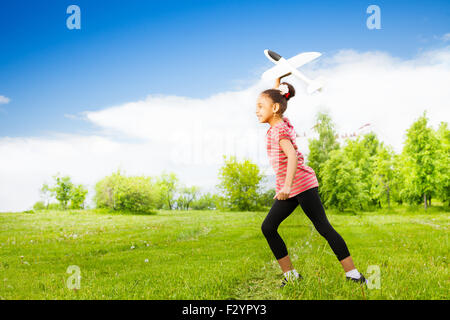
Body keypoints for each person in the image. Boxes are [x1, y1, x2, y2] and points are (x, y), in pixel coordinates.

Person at [256, 73, 367, 287]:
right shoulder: (279, 122)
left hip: (301, 185)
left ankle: (353, 275)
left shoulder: (280, 130)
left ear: (275, 109)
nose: (257, 110)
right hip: (288, 188)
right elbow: (278, 99)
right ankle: (291, 276)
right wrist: (278, 81)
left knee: (323, 227)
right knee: (268, 227)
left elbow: (292, 157)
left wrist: (287, 186)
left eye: (261, 106)